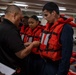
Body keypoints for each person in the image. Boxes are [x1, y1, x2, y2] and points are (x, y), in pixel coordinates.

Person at [0, 5, 40, 75]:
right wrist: (33, 44)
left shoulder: (2, 26)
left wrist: (23, 44)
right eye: (20, 18)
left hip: (3, 67)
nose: (20, 21)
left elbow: (7, 44)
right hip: (11, 70)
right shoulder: (11, 30)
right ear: (14, 15)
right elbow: (22, 54)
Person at [39, 2, 74, 75]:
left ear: (53, 13)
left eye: (46, 15)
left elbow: (66, 55)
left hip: (56, 67)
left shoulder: (66, 28)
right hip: (45, 64)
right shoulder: (48, 27)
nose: (45, 18)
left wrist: (61, 73)